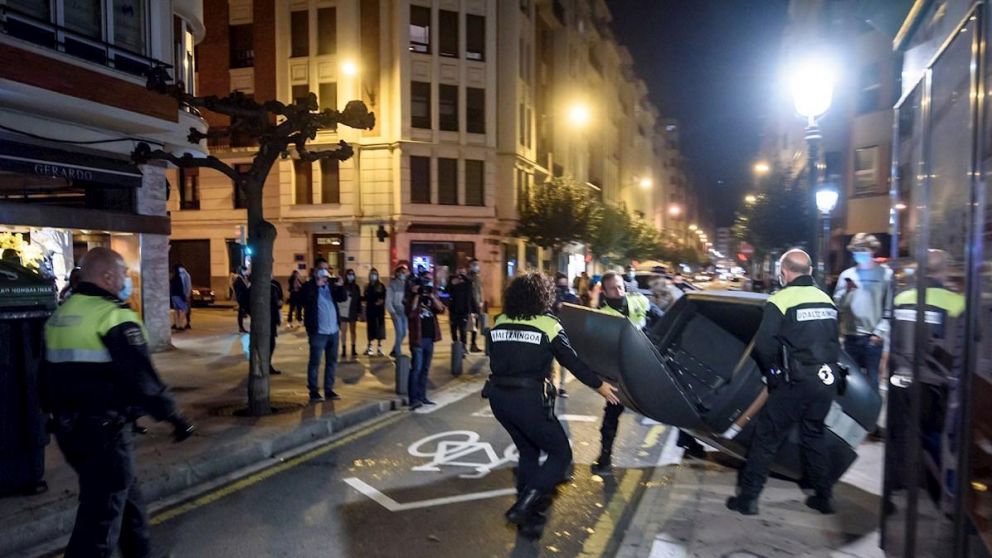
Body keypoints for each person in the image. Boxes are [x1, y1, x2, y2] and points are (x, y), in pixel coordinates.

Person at [42, 247, 194, 557]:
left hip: (69, 431)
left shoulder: (60, 315)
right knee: (100, 522)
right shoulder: (114, 316)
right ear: (107, 276)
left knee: (128, 504)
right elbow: (142, 380)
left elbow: (42, 376)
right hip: (105, 433)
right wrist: (174, 417)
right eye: (123, 273)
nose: (127, 279)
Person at [488, 273, 619, 539]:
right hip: (528, 400)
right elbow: (572, 362)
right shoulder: (548, 325)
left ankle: (529, 521)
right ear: (543, 296)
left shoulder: (499, 321)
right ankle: (524, 506)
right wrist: (600, 386)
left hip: (498, 399)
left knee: (528, 452)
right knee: (561, 455)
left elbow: (496, 356)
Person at [726, 249, 840, 516]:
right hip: (826, 379)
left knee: (766, 438)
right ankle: (824, 497)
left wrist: (774, 374)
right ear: (810, 271)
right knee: (814, 435)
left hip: (794, 382)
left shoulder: (781, 299)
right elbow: (834, 341)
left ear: (784, 272)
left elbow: (764, 345)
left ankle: (748, 499)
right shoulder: (826, 299)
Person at [885, 249, 965, 514]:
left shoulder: (903, 297)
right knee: (933, 437)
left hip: (901, 378)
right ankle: (939, 493)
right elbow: (970, 339)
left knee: (898, 434)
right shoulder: (956, 303)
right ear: (942, 272)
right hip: (936, 383)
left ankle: (894, 488)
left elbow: (894, 337)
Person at [591, 272, 664, 475]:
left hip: (647, 365)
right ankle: (605, 458)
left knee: (672, 404)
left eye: (620, 286)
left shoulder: (640, 300)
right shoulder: (601, 313)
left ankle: (692, 444)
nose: (619, 291)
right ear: (605, 292)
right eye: (613, 288)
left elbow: (663, 320)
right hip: (621, 372)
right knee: (611, 413)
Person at [832, 233, 893, 390]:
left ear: (872, 250)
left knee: (872, 382)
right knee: (851, 384)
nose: (859, 253)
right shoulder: (847, 275)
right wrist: (847, 291)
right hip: (851, 337)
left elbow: (889, 309)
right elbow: (837, 305)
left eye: (863, 249)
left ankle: (871, 413)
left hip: (872, 338)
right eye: (856, 250)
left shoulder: (885, 274)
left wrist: (879, 333)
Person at [301, 259, 347, 402]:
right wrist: (316, 285)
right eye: (322, 269)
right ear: (315, 271)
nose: (325, 272)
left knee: (332, 361)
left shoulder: (331, 286)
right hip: (318, 332)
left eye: (327, 269)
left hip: (333, 331)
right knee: (315, 362)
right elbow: (304, 300)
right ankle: (313, 390)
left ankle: (329, 389)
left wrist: (340, 286)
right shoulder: (309, 286)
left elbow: (342, 298)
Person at [407, 273, 445, 409]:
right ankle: (413, 399)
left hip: (430, 338)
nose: (427, 283)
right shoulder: (411, 297)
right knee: (416, 368)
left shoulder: (430, 297)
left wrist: (432, 296)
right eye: (425, 281)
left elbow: (441, 309)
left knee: (425, 369)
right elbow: (411, 313)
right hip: (418, 338)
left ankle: (422, 396)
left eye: (429, 280)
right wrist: (417, 295)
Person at [551, 273, 580, 398]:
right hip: (551, 329)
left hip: (564, 330)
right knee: (550, 361)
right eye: (560, 285)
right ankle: (552, 385)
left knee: (563, 360)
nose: (562, 287)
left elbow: (573, 309)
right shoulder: (551, 295)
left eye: (564, 284)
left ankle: (562, 386)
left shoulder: (570, 295)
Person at [447, 266, 474, 352]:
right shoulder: (452, 280)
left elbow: (470, 290)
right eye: (459, 272)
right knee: (453, 329)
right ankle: (456, 345)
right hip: (453, 310)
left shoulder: (467, 283)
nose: (460, 274)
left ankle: (463, 346)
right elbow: (446, 290)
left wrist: (473, 310)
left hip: (464, 310)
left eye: (463, 272)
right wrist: (452, 283)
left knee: (463, 329)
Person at [386, 264, 409, 358]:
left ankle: (395, 349)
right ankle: (398, 353)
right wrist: (392, 312)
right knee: (399, 332)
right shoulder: (392, 284)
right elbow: (388, 300)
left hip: (405, 312)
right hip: (396, 312)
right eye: (402, 272)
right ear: (397, 273)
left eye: (405, 272)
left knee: (404, 332)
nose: (404, 274)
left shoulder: (407, 284)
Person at [338, 269, 362, 359]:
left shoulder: (356, 287)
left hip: (353, 311)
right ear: (346, 275)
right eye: (349, 274)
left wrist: (359, 312)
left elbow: (359, 300)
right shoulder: (343, 286)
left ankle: (353, 348)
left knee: (353, 331)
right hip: (344, 311)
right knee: (343, 331)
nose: (351, 276)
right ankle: (344, 349)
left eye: (352, 274)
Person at [364, 268, 387, 356]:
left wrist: (381, 301)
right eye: (372, 273)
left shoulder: (381, 286)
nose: (373, 275)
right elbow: (365, 298)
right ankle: (369, 347)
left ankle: (379, 347)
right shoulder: (367, 286)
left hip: (379, 311)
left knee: (379, 329)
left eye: (375, 274)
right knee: (370, 329)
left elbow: (384, 296)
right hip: (370, 311)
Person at [467, 258, 485, 352]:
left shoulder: (478, 276)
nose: (476, 266)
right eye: (474, 264)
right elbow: (473, 292)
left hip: (477, 304)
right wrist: (477, 304)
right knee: (471, 325)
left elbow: (480, 290)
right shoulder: (469, 277)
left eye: (477, 264)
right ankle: (470, 345)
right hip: (472, 305)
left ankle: (473, 344)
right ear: (470, 266)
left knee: (475, 326)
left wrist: (482, 301)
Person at [269, 278, 284, 375]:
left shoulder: (274, 284)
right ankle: (265, 365)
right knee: (268, 343)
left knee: (271, 343)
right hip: (266, 319)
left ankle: (267, 364)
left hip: (272, 318)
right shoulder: (256, 283)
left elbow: (280, 300)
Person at [170, 264, 189, 331]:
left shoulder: (173, 278)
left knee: (176, 310)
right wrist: (184, 296)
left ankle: (177, 324)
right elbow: (181, 288)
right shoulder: (179, 277)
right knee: (184, 309)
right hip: (178, 296)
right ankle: (181, 325)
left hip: (173, 296)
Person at [234, 266, 250, 334]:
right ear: (242, 271)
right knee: (241, 314)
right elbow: (239, 290)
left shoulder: (243, 278)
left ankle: (241, 327)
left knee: (242, 313)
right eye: (245, 270)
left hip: (244, 299)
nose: (246, 272)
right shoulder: (239, 279)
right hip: (242, 299)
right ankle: (241, 327)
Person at [177, 263, 192, 329]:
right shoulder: (185, 275)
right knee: (184, 309)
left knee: (185, 309)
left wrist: (187, 295)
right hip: (183, 294)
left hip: (184, 295)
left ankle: (186, 323)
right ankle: (185, 323)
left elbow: (188, 286)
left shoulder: (185, 275)